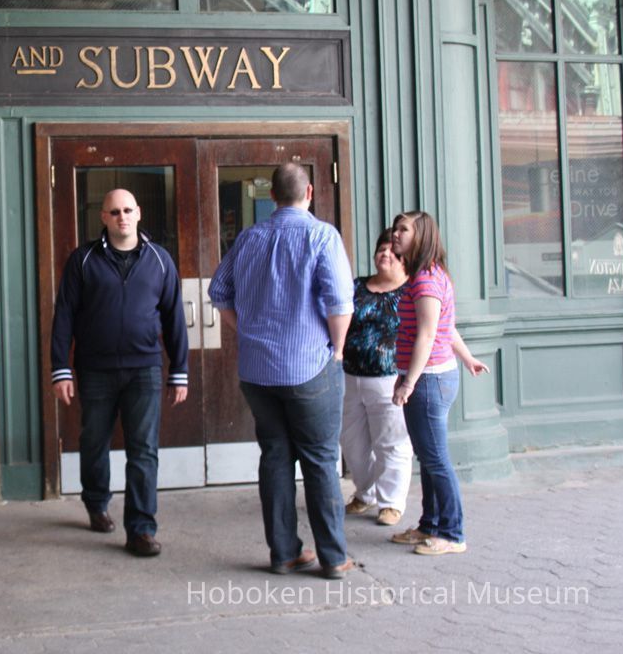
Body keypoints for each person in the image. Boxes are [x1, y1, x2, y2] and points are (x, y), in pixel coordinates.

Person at [208, 163, 355, 579]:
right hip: (310, 367)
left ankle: (285, 553)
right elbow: (339, 303)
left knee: (275, 456)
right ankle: (333, 557)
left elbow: (218, 292)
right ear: (309, 192)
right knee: (320, 459)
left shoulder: (248, 238)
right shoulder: (322, 235)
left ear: (271, 195)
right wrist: (338, 349)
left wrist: (247, 331)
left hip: (257, 371)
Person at [50, 188, 189, 557]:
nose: (122, 217)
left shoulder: (160, 260)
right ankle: (96, 502)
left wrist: (179, 370)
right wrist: (61, 369)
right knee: (94, 440)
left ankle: (141, 529)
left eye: (128, 210)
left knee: (144, 449)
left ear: (138, 213)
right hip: (95, 370)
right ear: (104, 217)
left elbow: (174, 317)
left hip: (144, 369)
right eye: (114, 212)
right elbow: (64, 315)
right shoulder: (83, 260)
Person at [388, 210, 489, 556]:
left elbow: (428, 334)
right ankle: (430, 525)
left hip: (429, 380)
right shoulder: (426, 275)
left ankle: (452, 532)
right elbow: (447, 327)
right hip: (430, 378)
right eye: (396, 228)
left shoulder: (426, 280)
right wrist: (468, 358)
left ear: (422, 236)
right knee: (429, 457)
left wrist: (408, 383)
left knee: (436, 460)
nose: (395, 234)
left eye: (403, 230)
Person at [341, 229, 413, 527]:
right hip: (349, 375)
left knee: (391, 442)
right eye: (381, 249)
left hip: (389, 378)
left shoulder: (411, 292)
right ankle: (365, 492)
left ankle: (392, 503)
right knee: (352, 443)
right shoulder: (356, 287)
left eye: (393, 252)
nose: (385, 254)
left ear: (406, 260)